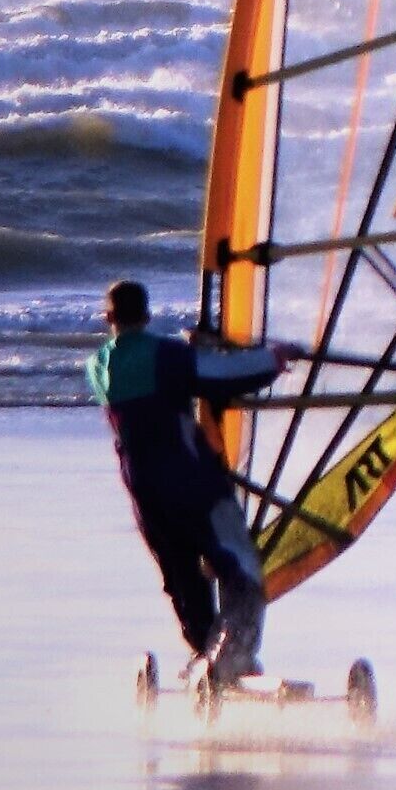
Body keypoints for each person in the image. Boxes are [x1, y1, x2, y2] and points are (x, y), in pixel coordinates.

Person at [89, 280, 293, 682]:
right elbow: (225, 376)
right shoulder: (166, 356)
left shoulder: (97, 367)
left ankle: (207, 651)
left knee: (182, 580)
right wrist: (273, 358)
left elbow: (169, 379)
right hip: (193, 486)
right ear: (147, 316)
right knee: (241, 569)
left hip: (145, 494)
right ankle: (229, 656)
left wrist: (195, 352)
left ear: (108, 319)